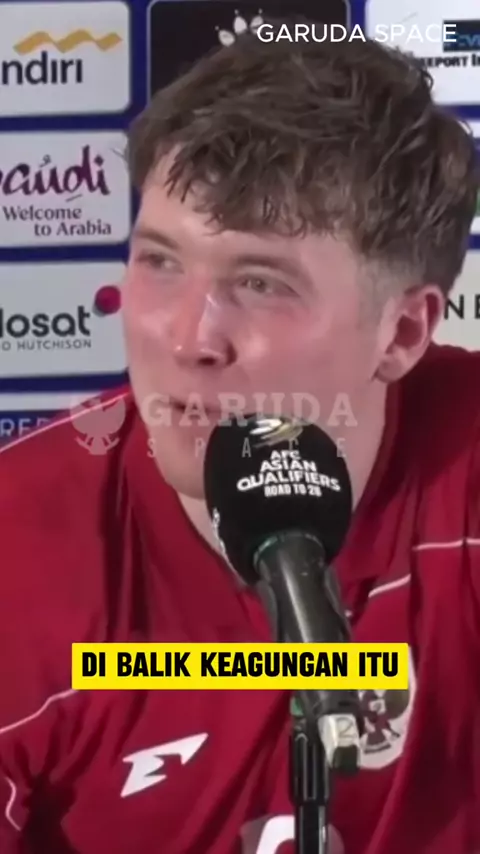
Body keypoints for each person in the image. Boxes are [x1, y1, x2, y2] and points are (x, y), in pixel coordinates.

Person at [0, 24, 479, 854]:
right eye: (160, 262)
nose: (189, 338)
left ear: (402, 333)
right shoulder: (20, 547)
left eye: (260, 283)